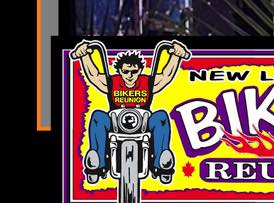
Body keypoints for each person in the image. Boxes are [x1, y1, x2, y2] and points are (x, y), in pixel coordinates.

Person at [71, 41, 189, 181]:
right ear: (120, 71)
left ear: (140, 70)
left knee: (161, 117)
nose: (130, 75)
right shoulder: (112, 82)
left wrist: (176, 55)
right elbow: (94, 76)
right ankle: (97, 159)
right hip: (115, 122)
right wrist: (84, 55)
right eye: (126, 71)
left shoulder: (147, 83)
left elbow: (165, 76)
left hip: (143, 122)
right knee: (98, 116)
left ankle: (162, 160)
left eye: (134, 71)